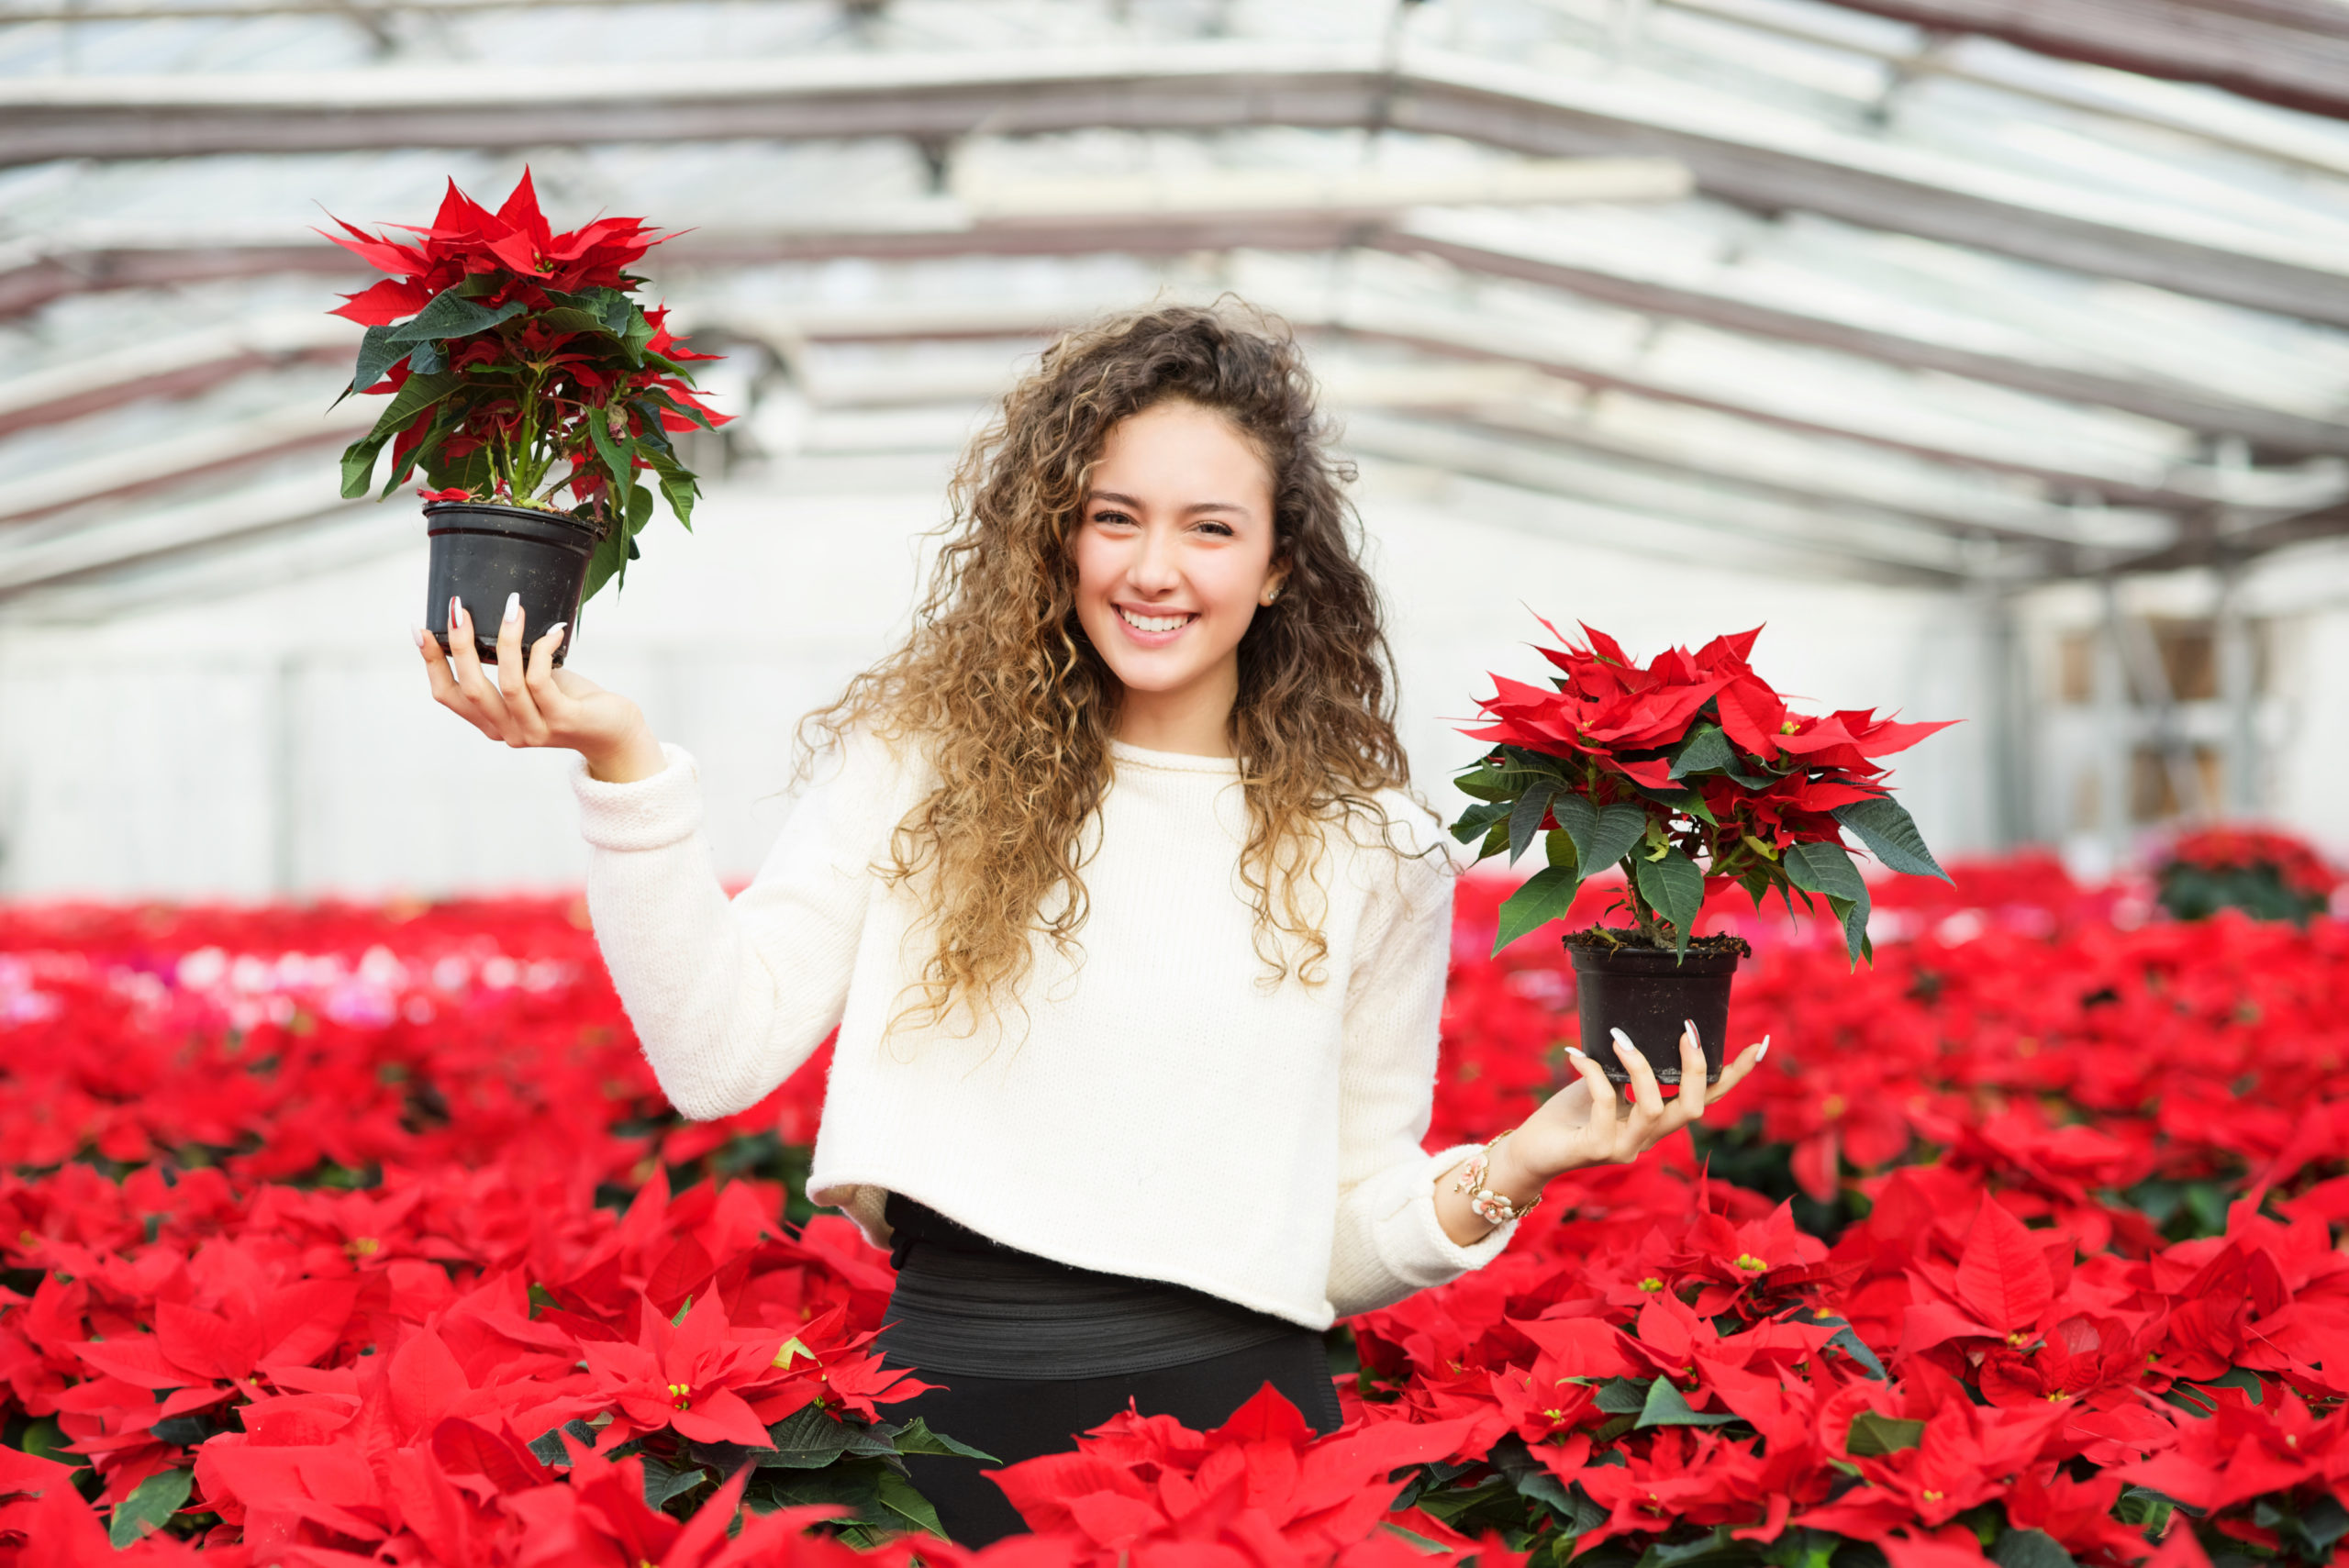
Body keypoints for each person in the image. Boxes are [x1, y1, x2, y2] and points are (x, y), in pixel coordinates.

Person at [414, 302, 1766, 1545]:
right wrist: (626, 764)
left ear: (1284, 564)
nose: (1154, 568)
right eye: (1113, 517)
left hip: (1247, 1438)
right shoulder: (922, 764)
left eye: (1210, 527)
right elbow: (715, 1055)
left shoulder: (1377, 848)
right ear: (1056, 533)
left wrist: (1522, 1161)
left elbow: (1342, 1236)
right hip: (951, 1428)